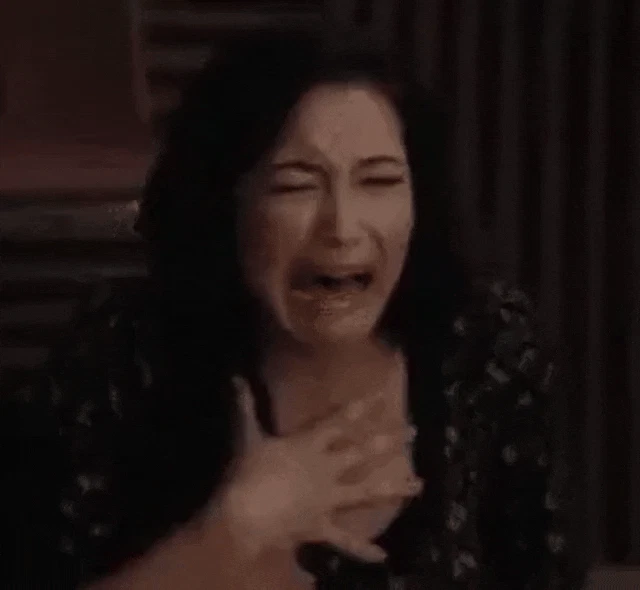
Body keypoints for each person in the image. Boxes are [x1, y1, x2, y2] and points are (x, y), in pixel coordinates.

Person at [0, 31, 590, 589]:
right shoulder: (122, 354)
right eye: (295, 185)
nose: (342, 227)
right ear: (225, 203)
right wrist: (224, 539)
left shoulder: (486, 346)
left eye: (379, 181)